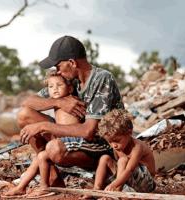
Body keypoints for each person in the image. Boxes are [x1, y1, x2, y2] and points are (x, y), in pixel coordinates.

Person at [17, 35, 124, 197]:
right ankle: (53, 177)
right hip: (75, 140)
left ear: (72, 63)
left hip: (102, 147)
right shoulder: (68, 79)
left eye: (59, 66)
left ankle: (58, 159)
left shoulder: (102, 79)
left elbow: (89, 131)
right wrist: (58, 103)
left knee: (54, 148)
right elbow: (28, 101)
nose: (57, 71)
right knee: (25, 115)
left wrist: (43, 126)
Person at [3, 70, 80, 198]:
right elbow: (27, 101)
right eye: (51, 87)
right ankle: (22, 187)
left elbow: (72, 129)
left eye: (59, 85)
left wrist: (46, 129)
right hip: (61, 138)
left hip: (71, 142)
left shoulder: (72, 100)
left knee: (42, 156)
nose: (55, 89)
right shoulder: (58, 98)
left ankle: (41, 186)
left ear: (70, 88)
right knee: (40, 157)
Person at [91, 109, 156, 194]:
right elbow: (121, 167)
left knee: (123, 160)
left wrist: (114, 184)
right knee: (105, 158)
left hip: (146, 184)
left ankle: (117, 192)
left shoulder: (137, 147)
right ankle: (96, 189)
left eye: (117, 140)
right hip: (128, 180)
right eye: (110, 142)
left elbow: (129, 170)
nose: (114, 145)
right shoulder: (118, 147)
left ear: (129, 133)